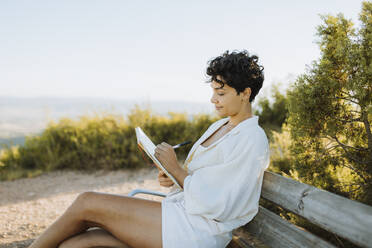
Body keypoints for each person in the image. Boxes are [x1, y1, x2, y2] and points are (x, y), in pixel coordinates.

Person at [29, 50, 270, 248]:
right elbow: (208, 181)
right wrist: (172, 176)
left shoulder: (251, 139)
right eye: (213, 92)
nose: (213, 99)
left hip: (196, 231)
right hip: (181, 215)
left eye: (221, 93)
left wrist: (177, 169)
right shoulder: (220, 126)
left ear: (245, 93)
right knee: (77, 244)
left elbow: (222, 204)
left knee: (87, 202)